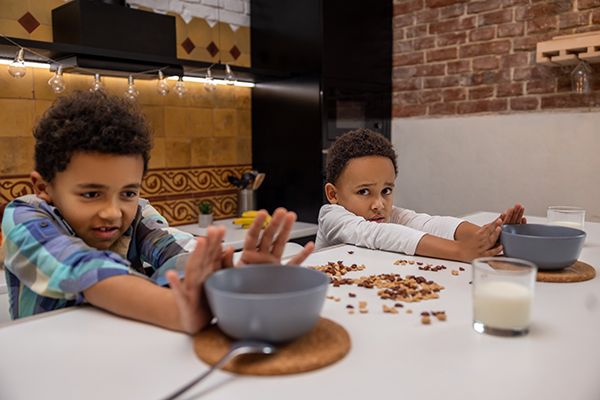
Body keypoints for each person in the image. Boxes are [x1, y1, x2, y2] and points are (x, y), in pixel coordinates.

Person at [1, 90, 314, 335]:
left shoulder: (136, 214)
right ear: (44, 186)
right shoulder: (24, 217)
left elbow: (176, 248)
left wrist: (229, 279)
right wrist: (176, 310)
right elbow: (83, 269)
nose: (113, 212)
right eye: (91, 194)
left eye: (128, 192)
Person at [316, 128, 525, 263]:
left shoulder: (386, 215)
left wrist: (490, 235)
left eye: (386, 191)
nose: (379, 204)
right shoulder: (331, 216)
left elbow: (429, 224)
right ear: (333, 194)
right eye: (364, 192)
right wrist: (461, 251)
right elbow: (376, 235)